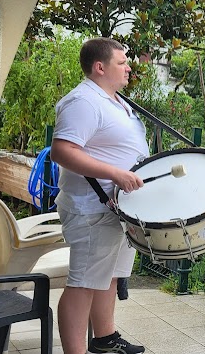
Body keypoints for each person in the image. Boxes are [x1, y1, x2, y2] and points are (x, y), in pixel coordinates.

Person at [50, 37, 147, 354]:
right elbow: (62, 151)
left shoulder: (115, 100)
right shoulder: (83, 102)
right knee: (82, 284)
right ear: (100, 67)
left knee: (108, 275)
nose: (128, 67)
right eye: (122, 62)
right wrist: (115, 173)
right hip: (91, 208)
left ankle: (105, 338)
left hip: (117, 208)